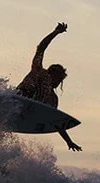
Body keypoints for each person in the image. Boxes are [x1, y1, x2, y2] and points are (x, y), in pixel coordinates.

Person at [17, 22, 82, 151]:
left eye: (61, 79)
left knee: (45, 99)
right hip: (17, 99)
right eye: (59, 77)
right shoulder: (39, 71)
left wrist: (69, 142)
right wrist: (55, 33)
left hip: (29, 113)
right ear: (52, 72)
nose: (59, 82)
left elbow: (55, 120)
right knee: (34, 84)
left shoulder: (53, 98)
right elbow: (40, 48)